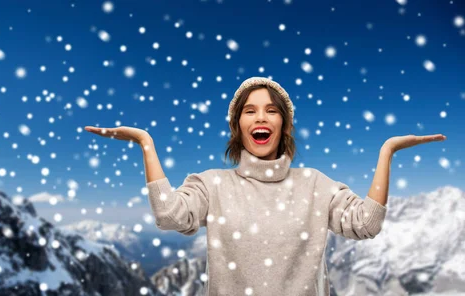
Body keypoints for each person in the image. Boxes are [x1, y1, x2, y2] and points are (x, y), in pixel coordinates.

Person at [84, 77, 447, 295]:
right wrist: (145, 142)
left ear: (285, 126)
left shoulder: (315, 185)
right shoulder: (212, 185)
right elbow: (168, 216)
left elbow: (366, 224)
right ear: (237, 125)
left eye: (272, 110)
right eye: (250, 110)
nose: (261, 116)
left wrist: (387, 151)